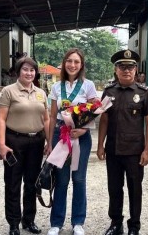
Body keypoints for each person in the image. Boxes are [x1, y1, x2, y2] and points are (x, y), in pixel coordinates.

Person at [97, 49, 148, 235]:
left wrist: (147, 150)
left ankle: (134, 226)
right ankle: (116, 223)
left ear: (135, 70)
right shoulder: (108, 92)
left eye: (130, 67)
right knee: (114, 188)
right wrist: (100, 145)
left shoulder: (144, 93)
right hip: (114, 150)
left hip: (134, 151)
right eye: (122, 67)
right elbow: (104, 120)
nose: (126, 70)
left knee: (134, 189)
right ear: (116, 69)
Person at [45, 48, 98, 235]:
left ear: (81, 64)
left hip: (81, 137)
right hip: (60, 134)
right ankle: (56, 223)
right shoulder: (55, 87)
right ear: (64, 63)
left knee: (79, 178)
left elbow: (95, 110)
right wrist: (49, 142)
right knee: (61, 179)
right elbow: (52, 116)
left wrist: (83, 129)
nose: (72, 65)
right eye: (69, 61)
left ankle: (78, 222)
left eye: (76, 61)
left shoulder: (88, 85)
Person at [0, 57, 50, 235]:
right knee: (12, 183)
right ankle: (13, 223)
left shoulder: (41, 93)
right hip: (14, 142)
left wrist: (49, 142)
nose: (29, 73)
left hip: (36, 142)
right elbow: (1, 119)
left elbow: (47, 119)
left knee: (32, 183)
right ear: (18, 72)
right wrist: (2, 144)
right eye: (25, 69)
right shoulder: (8, 91)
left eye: (32, 70)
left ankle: (29, 220)